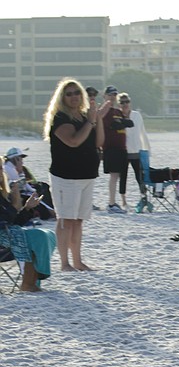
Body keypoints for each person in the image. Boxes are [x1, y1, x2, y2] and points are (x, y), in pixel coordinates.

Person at [44, 78, 104, 272]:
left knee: (78, 220)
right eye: (68, 94)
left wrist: (98, 119)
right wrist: (90, 121)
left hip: (86, 175)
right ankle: (64, 263)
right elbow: (74, 141)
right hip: (66, 177)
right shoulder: (61, 118)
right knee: (66, 219)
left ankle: (78, 261)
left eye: (77, 93)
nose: (73, 97)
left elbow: (99, 142)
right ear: (62, 98)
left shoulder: (84, 117)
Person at [0, 158, 55, 292]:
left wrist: (27, 208)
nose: (1, 172)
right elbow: (5, 221)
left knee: (47, 235)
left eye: (0, 169)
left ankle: (30, 282)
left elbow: (12, 222)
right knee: (37, 237)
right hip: (3, 239)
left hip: (8, 234)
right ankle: (29, 284)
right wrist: (16, 201)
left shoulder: (1, 195)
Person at [118, 93, 151, 210]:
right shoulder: (117, 116)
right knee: (123, 177)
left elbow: (142, 133)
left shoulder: (136, 115)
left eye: (127, 102)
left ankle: (144, 198)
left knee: (140, 176)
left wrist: (147, 149)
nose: (125, 104)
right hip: (122, 151)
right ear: (119, 104)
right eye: (122, 102)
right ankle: (123, 201)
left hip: (136, 151)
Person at [101, 85, 130, 213]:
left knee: (118, 175)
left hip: (121, 147)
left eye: (114, 95)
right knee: (113, 175)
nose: (112, 97)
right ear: (105, 96)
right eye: (110, 95)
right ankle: (111, 203)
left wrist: (126, 114)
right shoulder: (104, 111)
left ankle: (115, 202)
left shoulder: (118, 112)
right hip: (110, 147)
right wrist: (122, 123)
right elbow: (113, 125)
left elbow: (128, 123)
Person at [4, 147, 54, 221]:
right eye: (20, 159)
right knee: (37, 196)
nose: (22, 161)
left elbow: (23, 183)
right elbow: (21, 185)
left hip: (20, 192)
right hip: (17, 194)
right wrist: (20, 172)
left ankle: (52, 210)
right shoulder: (9, 168)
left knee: (42, 188)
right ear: (16, 159)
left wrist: (33, 190)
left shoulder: (11, 167)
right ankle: (52, 212)